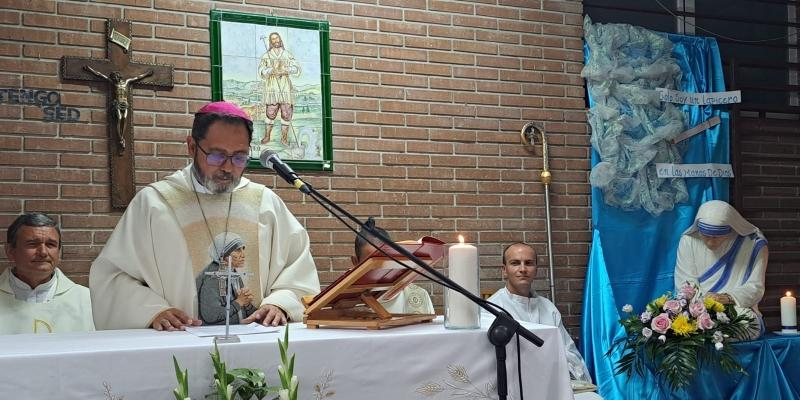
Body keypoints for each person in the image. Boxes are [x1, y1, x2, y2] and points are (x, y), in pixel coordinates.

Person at [90, 100, 320, 331]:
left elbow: (298, 268)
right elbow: (113, 276)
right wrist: (152, 311)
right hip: (177, 347)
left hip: (257, 344)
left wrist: (280, 304)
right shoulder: (155, 203)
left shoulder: (264, 204)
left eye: (239, 157)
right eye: (217, 156)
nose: (228, 168)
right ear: (191, 147)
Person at [482, 242, 593, 384]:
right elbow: (489, 360)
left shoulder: (548, 307)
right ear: (504, 270)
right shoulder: (492, 309)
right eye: (515, 263)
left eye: (528, 263)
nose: (523, 269)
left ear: (536, 270)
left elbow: (569, 351)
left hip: (553, 381)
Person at [674, 200, 767, 339]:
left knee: (746, 322)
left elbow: (756, 287)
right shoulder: (688, 241)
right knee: (681, 321)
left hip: (735, 306)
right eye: (706, 236)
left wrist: (727, 298)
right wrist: (704, 304)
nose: (710, 242)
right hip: (697, 306)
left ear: (731, 230)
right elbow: (685, 283)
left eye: (716, 237)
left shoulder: (754, 245)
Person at [1, 213, 94, 334]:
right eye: (32, 244)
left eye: (51, 245)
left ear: (59, 252)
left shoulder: (86, 299)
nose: (43, 252)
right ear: (10, 251)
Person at [352, 218, 434, 315]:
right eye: (371, 264)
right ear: (356, 262)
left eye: (384, 260)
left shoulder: (419, 295)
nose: (380, 270)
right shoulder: (346, 302)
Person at [83, 65, 153, 154]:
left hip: (125, 103)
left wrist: (147, 74)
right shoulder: (114, 83)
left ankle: (122, 137)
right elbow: (100, 75)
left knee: (124, 118)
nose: (114, 78)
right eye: (113, 78)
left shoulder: (126, 82)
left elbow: (137, 77)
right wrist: (90, 69)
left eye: (115, 77)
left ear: (118, 76)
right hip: (118, 104)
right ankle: (121, 138)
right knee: (119, 118)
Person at [196, 233, 256, 325]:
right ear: (223, 254)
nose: (243, 255)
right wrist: (239, 302)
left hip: (240, 330)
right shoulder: (213, 277)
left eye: (243, 248)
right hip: (213, 333)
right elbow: (211, 316)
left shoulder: (233, 274)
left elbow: (246, 312)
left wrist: (247, 304)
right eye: (237, 250)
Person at [258, 32, 301, 145]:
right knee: (270, 112)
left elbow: (296, 68)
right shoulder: (266, 56)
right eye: (273, 39)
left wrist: (286, 70)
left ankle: (284, 138)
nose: (276, 41)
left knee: (286, 113)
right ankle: (267, 137)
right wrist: (271, 70)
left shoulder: (287, 54)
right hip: (272, 87)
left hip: (285, 86)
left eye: (277, 38)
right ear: (270, 42)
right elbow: (261, 71)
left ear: (280, 40)